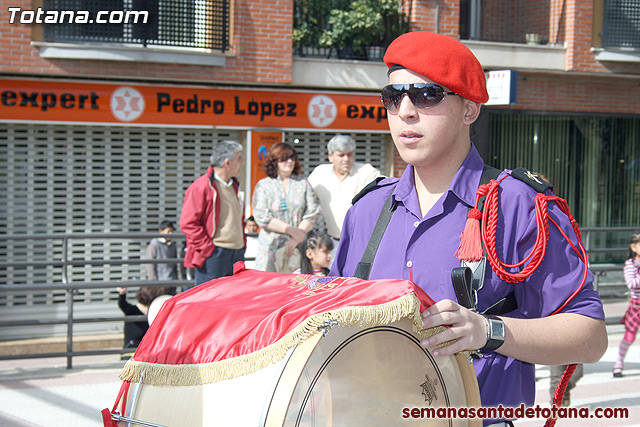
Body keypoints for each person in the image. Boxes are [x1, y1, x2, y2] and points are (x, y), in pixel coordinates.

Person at [330, 31, 607, 425]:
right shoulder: (367, 209)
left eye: (426, 95)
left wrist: (487, 330)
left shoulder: (518, 205)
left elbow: (590, 335)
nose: (405, 111)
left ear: (469, 110)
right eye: (394, 98)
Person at [180, 140, 245, 287]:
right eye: (239, 158)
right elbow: (188, 223)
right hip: (215, 255)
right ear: (227, 163)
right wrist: (208, 248)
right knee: (210, 303)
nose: (242, 162)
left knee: (235, 301)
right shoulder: (201, 186)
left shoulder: (234, 185)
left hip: (236, 253)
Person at [251, 142, 322, 272]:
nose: (289, 161)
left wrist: (296, 238)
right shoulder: (264, 185)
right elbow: (262, 216)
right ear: (274, 161)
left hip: (297, 245)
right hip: (270, 246)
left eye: (292, 157)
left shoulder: (303, 183)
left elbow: (314, 212)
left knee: (296, 285)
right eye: (284, 158)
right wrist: (291, 231)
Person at [307, 135, 381, 254]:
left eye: (350, 154)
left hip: (363, 243)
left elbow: (388, 192)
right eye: (341, 155)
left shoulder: (367, 172)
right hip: (333, 243)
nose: (346, 159)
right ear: (330, 156)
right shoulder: (319, 174)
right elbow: (305, 199)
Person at [613, 230, 640, 378]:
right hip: (636, 306)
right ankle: (619, 363)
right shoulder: (631, 264)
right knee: (629, 337)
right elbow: (631, 284)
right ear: (633, 247)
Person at [116, 286, 167, 359]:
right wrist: (122, 293)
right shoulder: (132, 310)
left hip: (147, 352)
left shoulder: (154, 312)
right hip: (131, 352)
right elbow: (122, 304)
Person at [144, 220, 179, 295]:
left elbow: (175, 265)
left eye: (172, 231)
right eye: (168, 231)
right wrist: (153, 282)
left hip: (172, 283)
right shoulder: (154, 245)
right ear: (161, 231)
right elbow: (150, 265)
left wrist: (176, 279)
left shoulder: (173, 245)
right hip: (159, 283)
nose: (171, 234)